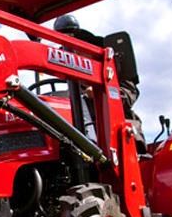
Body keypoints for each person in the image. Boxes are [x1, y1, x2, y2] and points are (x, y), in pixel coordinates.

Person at [53, 14, 146, 153]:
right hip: (83, 140)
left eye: (80, 51)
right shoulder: (74, 89)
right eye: (73, 53)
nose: (76, 57)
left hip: (120, 137)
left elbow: (127, 96)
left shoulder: (115, 76)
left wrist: (101, 93)